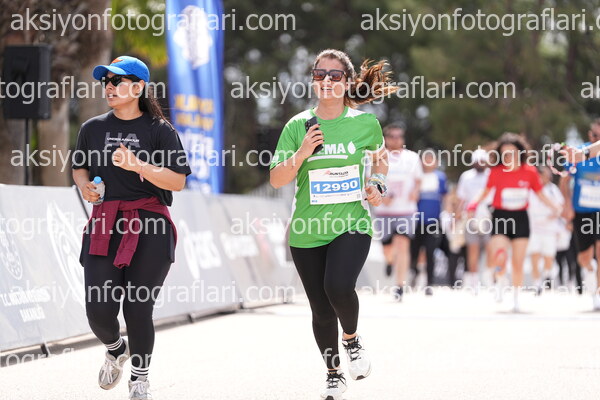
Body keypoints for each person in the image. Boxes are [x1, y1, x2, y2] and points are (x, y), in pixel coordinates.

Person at [269, 48, 396, 400]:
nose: (326, 80)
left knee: (338, 287)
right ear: (313, 80)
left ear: (348, 81)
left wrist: (378, 184)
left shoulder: (365, 124)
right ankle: (333, 373)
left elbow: (381, 160)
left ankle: (351, 340)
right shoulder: (297, 126)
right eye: (320, 74)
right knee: (321, 311)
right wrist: (302, 153)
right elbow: (277, 179)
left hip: (351, 224)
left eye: (335, 75)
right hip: (306, 232)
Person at [72, 56, 191, 400]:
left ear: (138, 87)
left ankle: (140, 379)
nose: (109, 87)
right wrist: (84, 186)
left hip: (151, 226)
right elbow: (79, 166)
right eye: (106, 81)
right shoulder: (91, 128)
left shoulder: (160, 130)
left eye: (117, 81)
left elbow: (178, 181)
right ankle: (115, 349)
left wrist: (138, 165)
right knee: (98, 310)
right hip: (105, 224)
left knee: (138, 307)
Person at [470, 133, 561, 311]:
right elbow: (485, 191)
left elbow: (540, 193)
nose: (508, 157)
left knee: (518, 263)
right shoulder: (496, 172)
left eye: (511, 152)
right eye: (505, 153)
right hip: (501, 217)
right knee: (500, 255)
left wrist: (555, 207)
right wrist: (473, 204)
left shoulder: (530, 171)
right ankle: (500, 279)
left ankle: (516, 298)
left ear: (519, 152)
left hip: (521, 218)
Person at [373, 124, 422, 301]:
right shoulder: (378, 156)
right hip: (384, 211)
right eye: (392, 136)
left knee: (402, 245)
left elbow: (418, 180)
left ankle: (400, 286)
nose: (396, 139)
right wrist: (381, 195)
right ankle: (389, 261)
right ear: (386, 138)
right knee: (387, 249)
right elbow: (369, 178)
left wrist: (415, 192)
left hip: (405, 210)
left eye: (399, 136)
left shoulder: (412, 157)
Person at [560, 119, 600, 308]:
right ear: (590, 135)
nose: (597, 139)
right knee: (584, 257)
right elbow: (564, 181)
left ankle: (598, 294)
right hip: (581, 211)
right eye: (595, 135)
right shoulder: (579, 153)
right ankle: (589, 271)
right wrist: (567, 205)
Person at [410, 149, 447, 295]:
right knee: (414, 251)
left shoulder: (440, 177)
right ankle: (414, 272)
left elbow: (445, 196)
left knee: (431, 251)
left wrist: (447, 214)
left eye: (432, 159)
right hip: (416, 220)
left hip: (433, 221)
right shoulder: (416, 177)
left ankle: (429, 283)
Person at [456, 148, 491, 291]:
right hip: (471, 217)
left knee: (490, 249)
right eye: (477, 161)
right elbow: (462, 198)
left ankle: (489, 278)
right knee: (472, 250)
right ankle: (474, 281)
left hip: (488, 217)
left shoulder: (491, 175)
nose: (480, 163)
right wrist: (458, 215)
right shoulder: (466, 176)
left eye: (482, 161)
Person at [527, 166, 564, 294]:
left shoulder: (553, 190)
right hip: (534, 228)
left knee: (549, 258)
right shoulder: (530, 189)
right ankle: (536, 283)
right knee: (535, 255)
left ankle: (547, 275)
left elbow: (560, 207)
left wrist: (554, 215)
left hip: (549, 229)